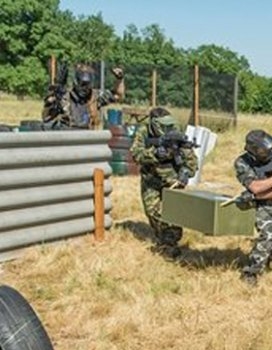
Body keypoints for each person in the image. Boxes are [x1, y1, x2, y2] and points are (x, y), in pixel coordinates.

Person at [130, 107, 198, 259]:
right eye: (163, 126)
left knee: (174, 213)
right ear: (154, 124)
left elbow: (192, 161)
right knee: (152, 211)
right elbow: (136, 154)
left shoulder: (177, 133)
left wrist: (186, 173)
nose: (167, 129)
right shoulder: (143, 132)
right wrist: (154, 154)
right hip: (151, 178)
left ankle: (170, 243)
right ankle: (164, 237)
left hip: (172, 179)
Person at [233, 129, 272, 285]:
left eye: (269, 149)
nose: (269, 152)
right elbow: (255, 187)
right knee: (267, 236)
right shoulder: (242, 163)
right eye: (263, 150)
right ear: (254, 151)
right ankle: (251, 271)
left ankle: (268, 256)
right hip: (258, 206)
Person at [42, 63, 125, 130]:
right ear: (76, 82)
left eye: (88, 85)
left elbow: (118, 95)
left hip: (88, 139)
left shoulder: (95, 97)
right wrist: (50, 102)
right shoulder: (65, 97)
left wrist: (119, 79)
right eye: (83, 84)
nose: (85, 88)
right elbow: (46, 118)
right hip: (68, 138)